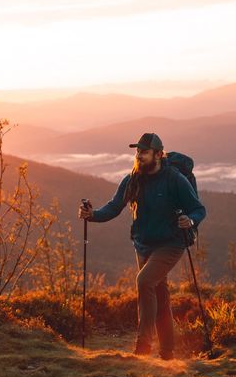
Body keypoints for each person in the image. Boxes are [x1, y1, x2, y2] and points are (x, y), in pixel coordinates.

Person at [78, 132, 206, 360]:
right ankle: (167, 353)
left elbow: (198, 209)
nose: (139, 155)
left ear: (158, 154)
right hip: (143, 245)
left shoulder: (174, 178)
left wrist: (191, 220)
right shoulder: (133, 179)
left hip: (171, 242)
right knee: (160, 296)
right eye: (137, 151)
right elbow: (114, 206)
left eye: (144, 152)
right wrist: (92, 215)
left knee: (144, 281)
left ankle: (143, 347)